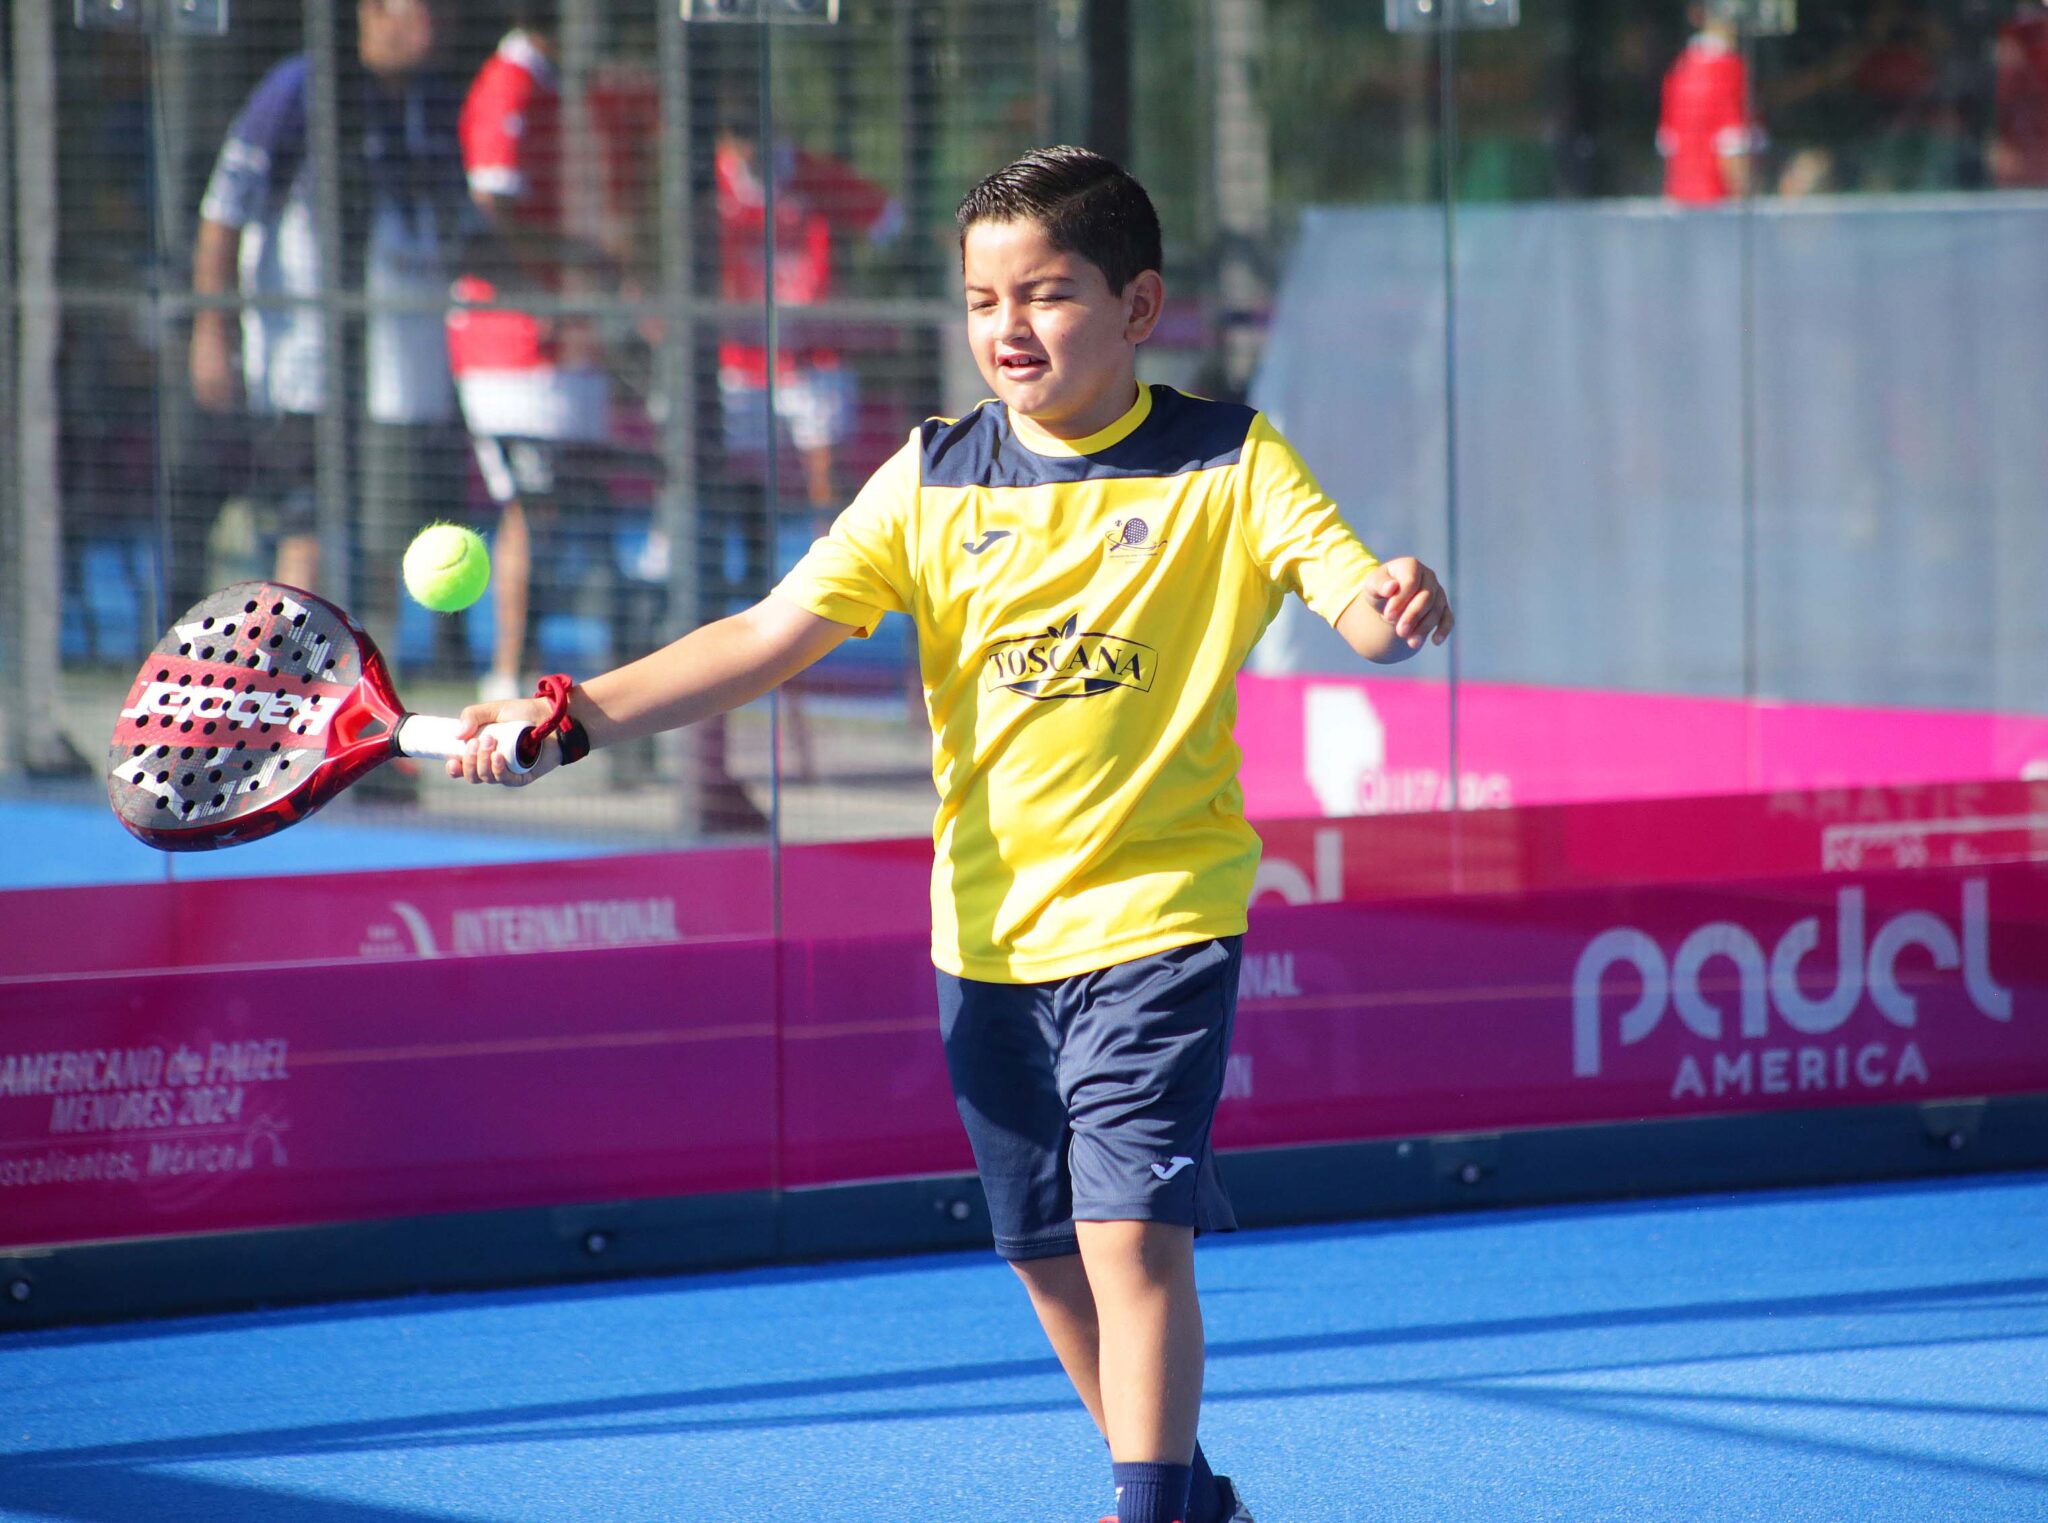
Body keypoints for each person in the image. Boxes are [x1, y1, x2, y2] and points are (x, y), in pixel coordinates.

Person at [447, 146, 1453, 1523]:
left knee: (1129, 1234)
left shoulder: (1230, 455)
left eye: (1046, 293)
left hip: (1160, 917)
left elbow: (1355, 602)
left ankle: (1145, 1502)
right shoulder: (929, 475)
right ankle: (1187, 1493)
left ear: (1138, 305)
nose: (1008, 327)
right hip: (982, 930)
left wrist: (1392, 602)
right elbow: (765, 635)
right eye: (983, 300)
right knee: (1042, 1247)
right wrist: (572, 716)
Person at [190, 0, 467, 639]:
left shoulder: (430, 103)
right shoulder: (299, 86)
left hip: (399, 367)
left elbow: (460, 229)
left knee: (391, 534)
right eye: (421, 6)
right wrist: (211, 329)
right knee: (306, 521)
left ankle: (372, 679)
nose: (437, 21)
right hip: (305, 361)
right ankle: (290, 674)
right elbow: (224, 209)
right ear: (374, 11)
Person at [446, 1, 618, 703]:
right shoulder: (509, 84)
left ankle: (553, 675)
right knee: (529, 503)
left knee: (556, 507)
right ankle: (506, 675)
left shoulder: (554, 87)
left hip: (556, 338)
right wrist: (566, 271)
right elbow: (491, 210)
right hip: (510, 342)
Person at [713, 106, 902, 531]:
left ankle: (831, 562)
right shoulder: (711, 183)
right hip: (743, 355)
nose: (748, 151)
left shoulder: (814, 175)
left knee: (825, 468)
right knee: (744, 471)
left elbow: (889, 222)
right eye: (738, 139)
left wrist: (860, 295)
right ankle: (748, 564)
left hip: (815, 352)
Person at [1657, 0, 1763, 204]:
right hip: (1720, 206)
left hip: (1682, 205)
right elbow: (1733, 154)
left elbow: (1669, 151)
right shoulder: (1730, 70)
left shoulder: (1679, 70)